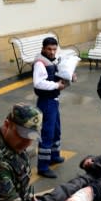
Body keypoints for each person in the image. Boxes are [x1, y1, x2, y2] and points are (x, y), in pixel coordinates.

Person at [33, 36, 72, 178]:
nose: (52, 51)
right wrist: (57, 85)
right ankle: (43, 166)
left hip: (53, 100)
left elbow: (54, 74)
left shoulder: (51, 60)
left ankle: (54, 155)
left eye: (54, 49)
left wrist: (68, 76)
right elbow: (38, 83)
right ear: (43, 48)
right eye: (49, 49)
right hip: (46, 102)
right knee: (47, 134)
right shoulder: (40, 63)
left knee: (56, 130)